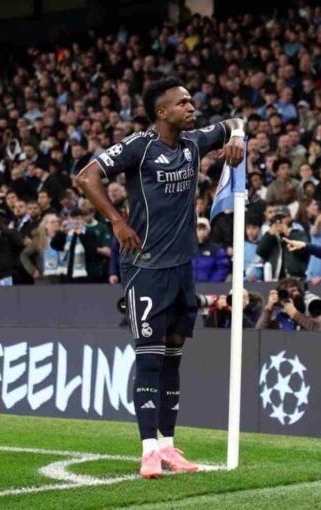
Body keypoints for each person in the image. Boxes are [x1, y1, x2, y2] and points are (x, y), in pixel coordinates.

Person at [76, 77, 245, 478]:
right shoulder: (140, 146)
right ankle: (148, 449)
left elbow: (235, 121)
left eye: (191, 100)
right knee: (149, 360)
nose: (192, 107)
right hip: (145, 266)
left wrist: (237, 135)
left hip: (181, 268)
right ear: (162, 112)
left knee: (173, 359)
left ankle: (169, 446)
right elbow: (86, 176)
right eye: (183, 103)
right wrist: (116, 221)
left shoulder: (193, 143)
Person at [255, 277, 321, 331]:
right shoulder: (280, 310)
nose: (290, 296)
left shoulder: (312, 302)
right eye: (286, 292)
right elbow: (259, 332)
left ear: (301, 292)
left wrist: (295, 314)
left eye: (293, 291)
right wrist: (268, 309)